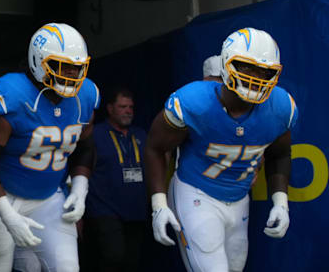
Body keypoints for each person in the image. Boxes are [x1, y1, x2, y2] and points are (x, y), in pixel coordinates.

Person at [144, 28, 296, 272]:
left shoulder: (280, 107)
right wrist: (159, 205)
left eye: (265, 71)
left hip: (239, 198)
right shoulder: (195, 102)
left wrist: (281, 202)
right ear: (226, 63)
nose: (256, 77)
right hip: (196, 193)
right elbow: (154, 147)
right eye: (247, 67)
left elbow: (279, 154)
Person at [0, 23, 100, 272]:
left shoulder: (86, 94)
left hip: (49, 197)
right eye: (62, 66)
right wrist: (5, 212)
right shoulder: (13, 94)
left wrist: (80, 187)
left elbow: (86, 146)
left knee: (67, 267)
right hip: (4, 195)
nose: (71, 74)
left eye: (77, 68)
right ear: (39, 61)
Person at [83, 88, 147, 272]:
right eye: (122, 107)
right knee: (113, 256)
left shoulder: (141, 134)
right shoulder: (95, 134)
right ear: (110, 109)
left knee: (131, 261)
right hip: (104, 209)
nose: (128, 111)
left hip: (136, 210)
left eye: (131, 107)